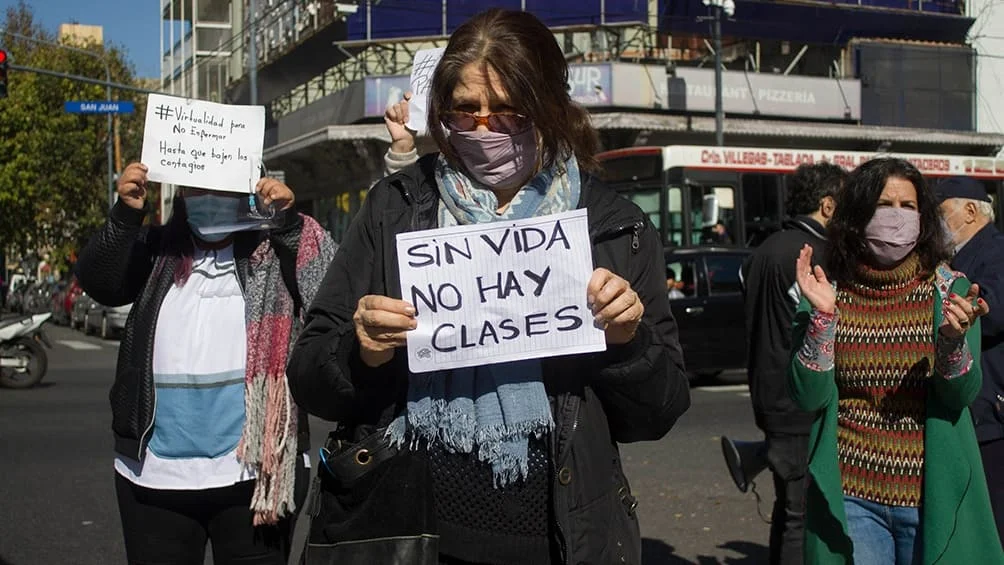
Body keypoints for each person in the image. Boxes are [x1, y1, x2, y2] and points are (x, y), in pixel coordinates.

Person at [286, 9, 690, 565]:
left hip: (562, 543)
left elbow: (659, 411)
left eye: (507, 111)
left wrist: (629, 342)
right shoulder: (394, 208)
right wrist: (362, 354)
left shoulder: (615, 226)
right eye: (465, 110)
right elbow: (310, 377)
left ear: (550, 106)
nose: (482, 129)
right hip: (411, 537)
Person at [75, 163, 337, 565]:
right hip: (154, 480)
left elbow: (329, 290)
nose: (209, 197)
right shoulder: (156, 250)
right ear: (180, 192)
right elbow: (101, 282)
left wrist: (287, 223)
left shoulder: (276, 248)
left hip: (255, 480)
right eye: (196, 186)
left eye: (223, 187)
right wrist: (126, 213)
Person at [788, 157, 1000, 564]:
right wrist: (822, 321)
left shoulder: (949, 290)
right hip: (852, 497)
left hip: (930, 495)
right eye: (885, 205)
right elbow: (807, 397)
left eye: (909, 207)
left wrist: (953, 343)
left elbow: (960, 397)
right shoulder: (825, 290)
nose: (897, 217)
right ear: (858, 213)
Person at [740, 162, 846, 565]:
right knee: (804, 515)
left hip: (765, 394)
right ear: (828, 204)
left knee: (788, 511)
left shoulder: (763, 249)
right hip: (801, 399)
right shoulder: (817, 255)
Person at [936, 176, 1004, 548]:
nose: (936, 223)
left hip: (992, 414)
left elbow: (991, 313)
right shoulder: (956, 257)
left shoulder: (995, 251)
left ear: (971, 211)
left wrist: (960, 315)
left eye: (941, 213)